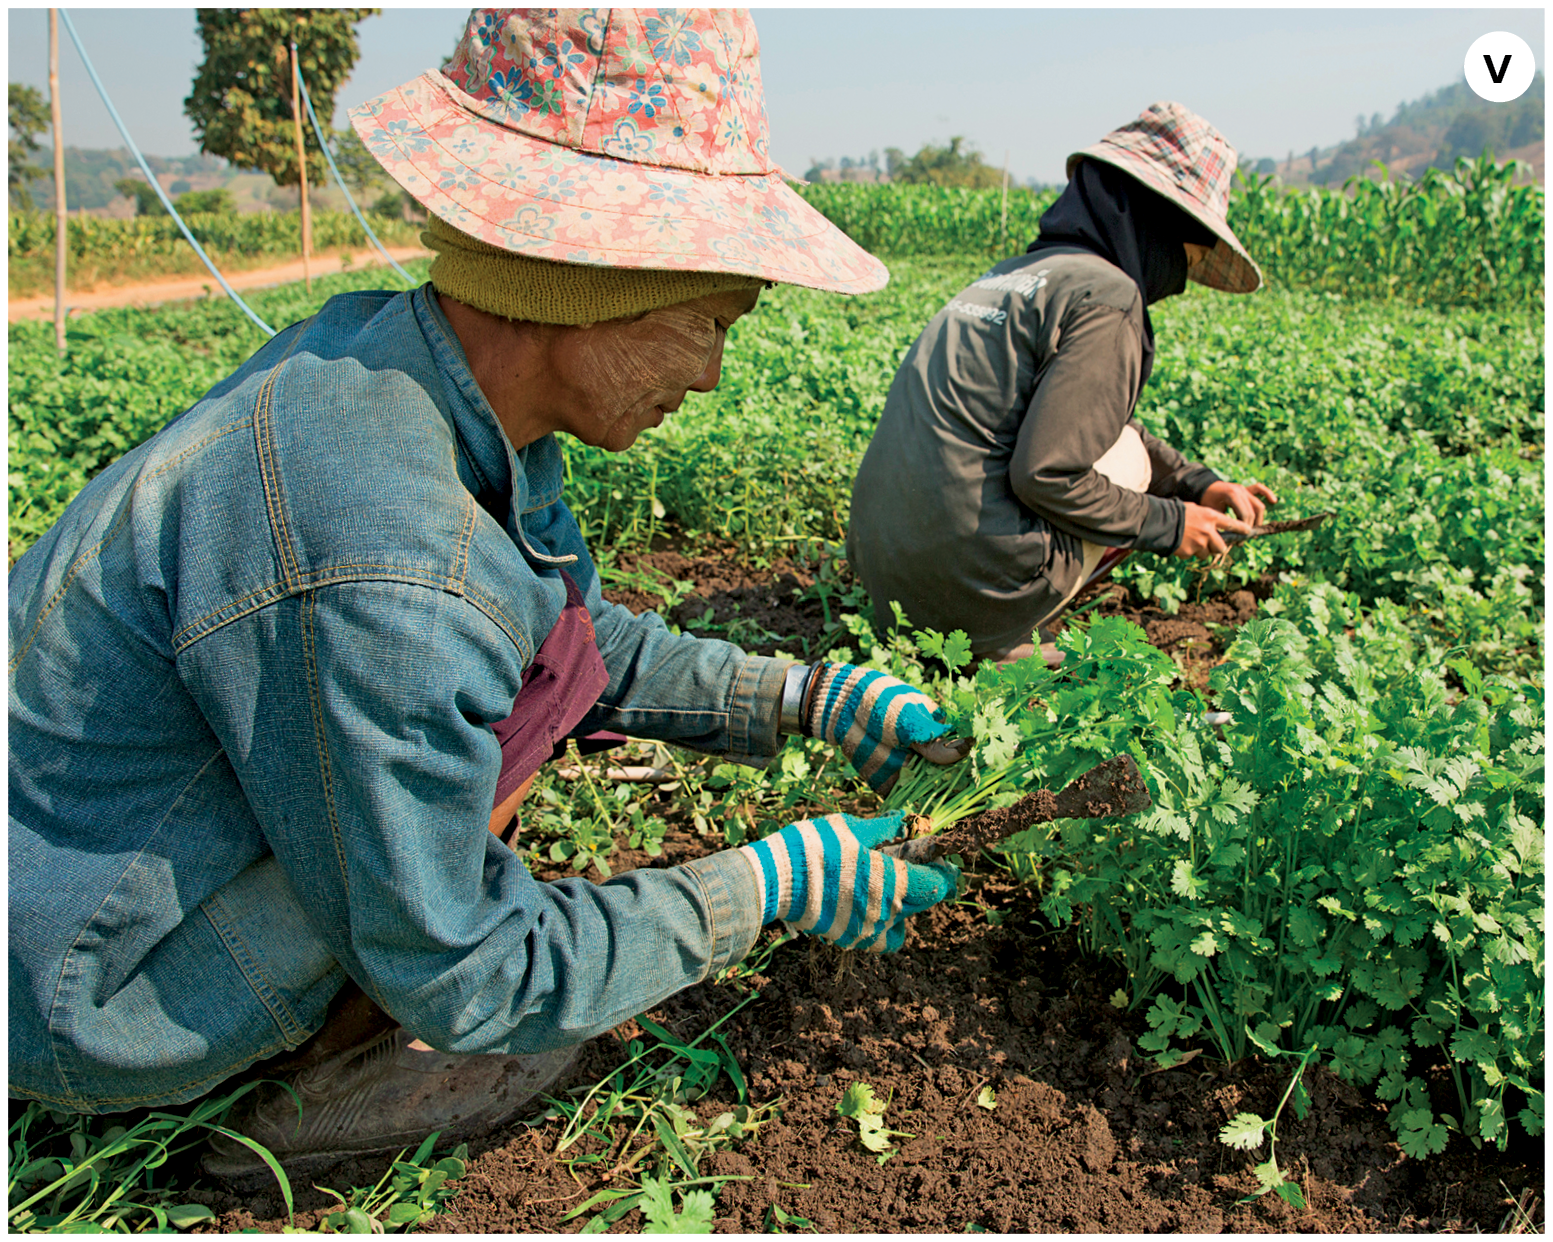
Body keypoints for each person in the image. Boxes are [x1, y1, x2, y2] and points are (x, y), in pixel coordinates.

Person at [7, 10, 964, 1188]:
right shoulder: (395, 567)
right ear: (584, 281)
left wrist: (798, 696)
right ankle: (294, 1093)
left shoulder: (416, 377)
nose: (710, 371)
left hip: (92, 866)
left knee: (513, 708)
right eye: (709, 320)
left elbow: (562, 641)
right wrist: (754, 889)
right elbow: (471, 963)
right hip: (90, 984)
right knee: (454, 925)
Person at [846, 102, 1279, 666]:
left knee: (1112, 444)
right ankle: (1007, 635)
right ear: (1159, 223)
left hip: (886, 587)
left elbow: (1092, 427)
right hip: (966, 595)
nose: (1183, 272)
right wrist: (1173, 523)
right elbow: (1046, 473)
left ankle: (972, 609)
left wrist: (1197, 483)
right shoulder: (1108, 296)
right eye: (1187, 249)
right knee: (1117, 464)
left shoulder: (1009, 275)